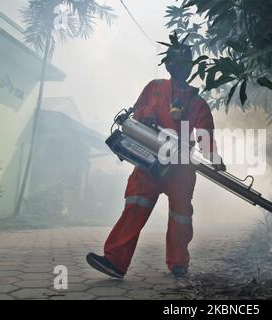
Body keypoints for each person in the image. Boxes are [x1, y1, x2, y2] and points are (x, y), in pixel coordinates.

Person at [86, 43, 225, 278]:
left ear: (189, 68)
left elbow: (205, 134)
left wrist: (214, 158)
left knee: (181, 215)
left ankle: (178, 263)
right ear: (168, 65)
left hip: (181, 168)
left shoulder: (196, 102)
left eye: (183, 64)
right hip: (149, 160)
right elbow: (136, 113)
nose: (178, 68)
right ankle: (114, 262)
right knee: (135, 207)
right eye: (174, 63)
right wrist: (145, 116)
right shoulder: (154, 88)